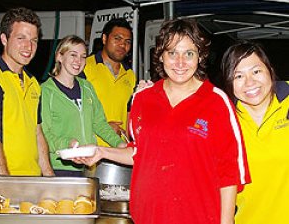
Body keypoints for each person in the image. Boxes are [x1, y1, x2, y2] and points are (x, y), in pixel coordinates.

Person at [75, 18, 251, 224]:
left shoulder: (216, 101)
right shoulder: (143, 99)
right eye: (172, 53)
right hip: (148, 216)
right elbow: (141, 152)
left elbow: (229, 170)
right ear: (161, 56)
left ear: (200, 57)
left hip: (199, 217)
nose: (180, 62)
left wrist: (226, 220)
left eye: (189, 53)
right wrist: (101, 152)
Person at [0, 7, 54, 176]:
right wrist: (8, 186)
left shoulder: (33, 83)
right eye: (21, 38)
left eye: (34, 40)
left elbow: (37, 134)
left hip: (32, 181)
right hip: (3, 182)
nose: (28, 46)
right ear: (4, 39)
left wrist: (50, 177)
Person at [220, 41, 289, 224]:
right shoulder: (225, 121)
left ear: (270, 70)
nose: (250, 82)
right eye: (239, 76)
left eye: (256, 71)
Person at [40, 35, 126, 177]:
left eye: (83, 56)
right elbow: (44, 134)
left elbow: (99, 124)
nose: (78, 61)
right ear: (59, 57)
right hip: (59, 167)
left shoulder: (87, 87)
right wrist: (68, 144)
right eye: (73, 55)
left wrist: (120, 145)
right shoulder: (46, 91)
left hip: (88, 166)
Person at [83, 18, 136, 145]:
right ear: (104, 39)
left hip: (119, 149)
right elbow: (72, 109)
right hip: (92, 148)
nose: (122, 45)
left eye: (127, 41)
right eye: (117, 39)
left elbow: (130, 113)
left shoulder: (130, 75)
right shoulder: (85, 67)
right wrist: (104, 127)